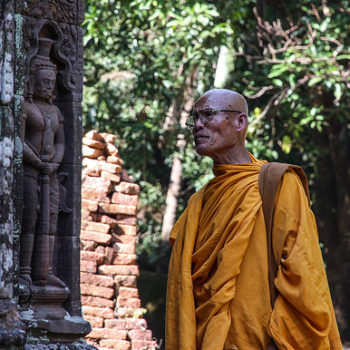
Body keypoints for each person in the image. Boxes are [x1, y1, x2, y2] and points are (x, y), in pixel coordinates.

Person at [165, 89, 342, 350]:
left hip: (264, 341)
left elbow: (303, 272)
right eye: (195, 119)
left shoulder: (277, 183)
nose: (198, 125)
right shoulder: (199, 203)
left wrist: (281, 339)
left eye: (208, 115)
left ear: (240, 122)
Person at [19, 38, 66, 289]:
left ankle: (44, 272)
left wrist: (55, 164)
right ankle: (25, 271)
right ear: (32, 83)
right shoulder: (26, 107)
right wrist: (37, 162)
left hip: (50, 173)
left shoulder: (56, 112)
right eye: (44, 82)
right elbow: (18, 140)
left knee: (50, 220)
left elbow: (61, 143)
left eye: (51, 83)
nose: (49, 86)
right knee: (30, 219)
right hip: (30, 171)